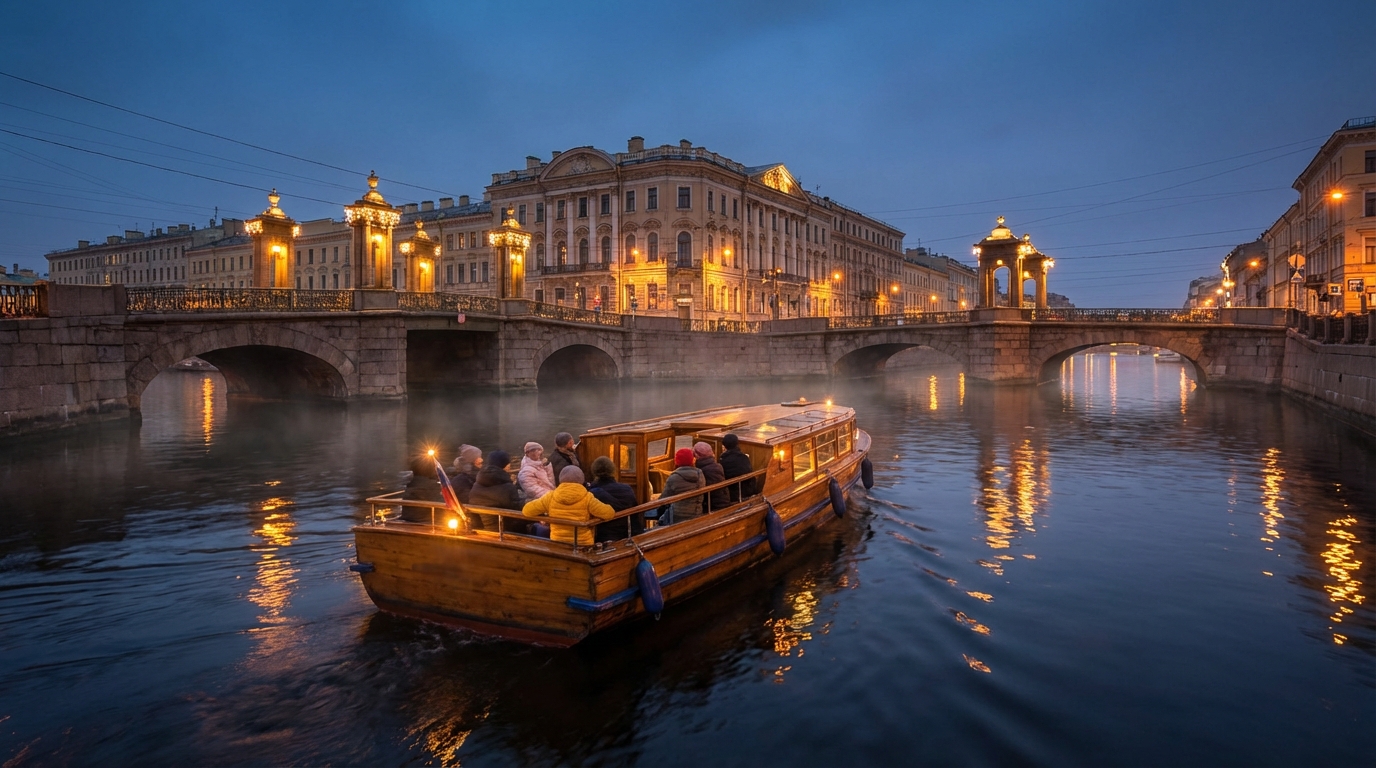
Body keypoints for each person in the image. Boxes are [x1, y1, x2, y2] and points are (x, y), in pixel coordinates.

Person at [522, 466, 615, 546]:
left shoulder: (551, 496)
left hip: (558, 543)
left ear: (561, 479)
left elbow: (527, 510)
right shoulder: (587, 497)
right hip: (582, 544)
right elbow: (609, 513)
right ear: (581, 480)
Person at [467, 450, 522, 531]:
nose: (509, 466)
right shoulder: (507, 487)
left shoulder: (477, 484)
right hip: (505, 529)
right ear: (504, 465)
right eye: (508, 464)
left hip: (482, 528)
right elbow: (517, 507)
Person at [589, 455, 640, 541]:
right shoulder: (627, 489)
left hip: (603, 537)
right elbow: (635, 514)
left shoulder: (591, 493)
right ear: (613, 471)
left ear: (594, 472)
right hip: (628, 534)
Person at [660, 447, 706, 523]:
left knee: (660, 520)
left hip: (678, 516)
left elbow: (663, 499)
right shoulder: (700, 474)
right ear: (692, 460)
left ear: (677, 461)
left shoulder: (673, 478)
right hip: (697, 513)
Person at [401, 454, 443, 522]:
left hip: (408, 520)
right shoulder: (432, 486)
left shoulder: (411, 484)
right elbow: (443, 506)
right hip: (427, 522)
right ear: (431, 470)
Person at [719, 433, 757, 502]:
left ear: (725, 446)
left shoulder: (723, 460)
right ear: (737, 443)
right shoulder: (744, 458)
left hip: (731, 494)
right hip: (746, 491)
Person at [694, 442, 730, 512]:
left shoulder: (701, 471)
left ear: (697, 456)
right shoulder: (718, 466)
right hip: (724, 502)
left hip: (713, 507)